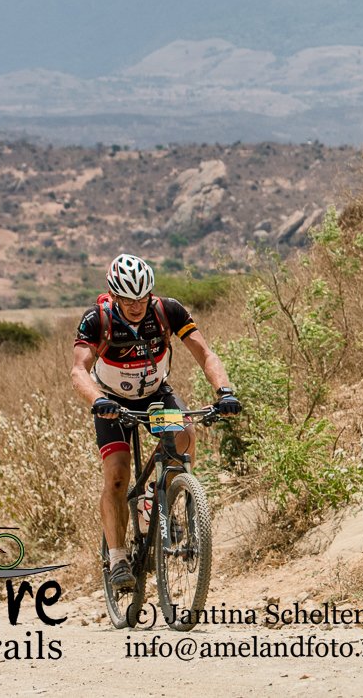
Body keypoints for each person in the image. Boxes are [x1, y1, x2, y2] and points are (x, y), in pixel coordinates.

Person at [71, 253, 241, 592]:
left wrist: (224, 391)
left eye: (142, 298)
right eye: (128, 299)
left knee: (184, 437)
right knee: (118, 476)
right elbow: (79, 370)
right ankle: (118, 558)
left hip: (155, 394)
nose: (136, 306)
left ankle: (154, 497)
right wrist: (98, 401)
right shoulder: (97, 320)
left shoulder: (168, 312)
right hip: (112, 402)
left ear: (151, 293)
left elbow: (205, 353)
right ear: (114, 295)